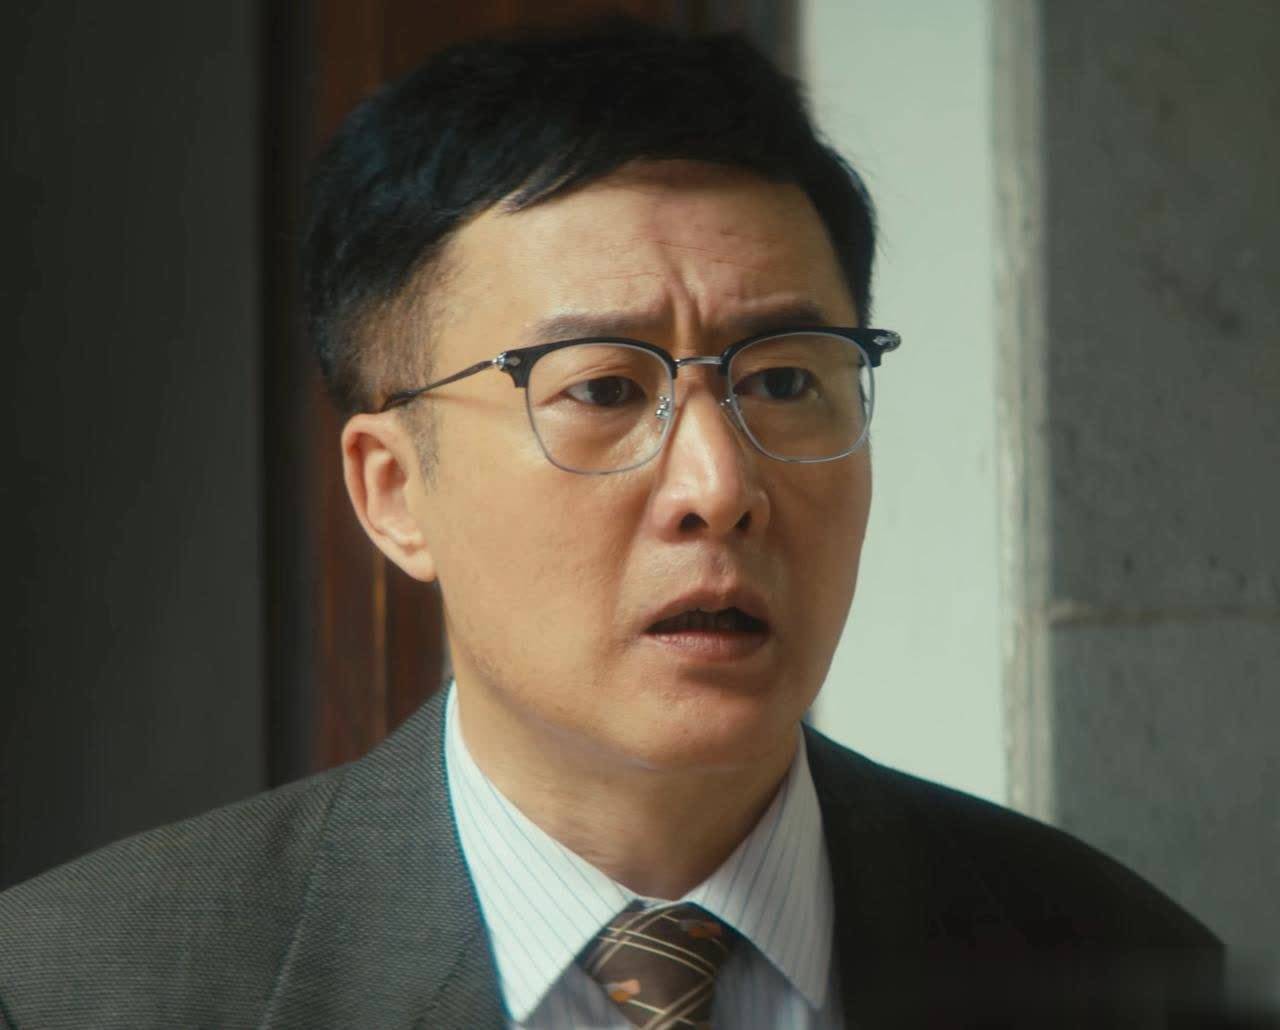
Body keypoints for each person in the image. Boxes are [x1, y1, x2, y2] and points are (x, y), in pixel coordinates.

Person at [0, 18, 1222, 1029]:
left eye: (782, 379)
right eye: (600, 390)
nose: (717, 484)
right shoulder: (83, 988)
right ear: (392, 492)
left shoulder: (1123, 967)